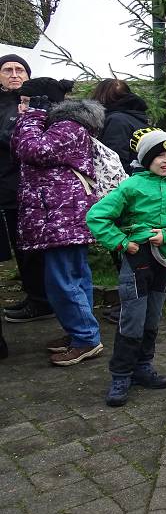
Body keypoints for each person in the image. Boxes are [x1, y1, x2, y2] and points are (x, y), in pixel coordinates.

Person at [86, 129, 166, 406]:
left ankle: (143, 367)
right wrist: (122, 243)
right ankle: (121, 374)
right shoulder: (132, 186)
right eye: (159, 156)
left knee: (153, 316)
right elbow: (97, 216)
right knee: (133, 317)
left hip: (164, 258)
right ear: (146, 159)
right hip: (138, 260)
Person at [13, 92, 106, 365]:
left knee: (62, 281)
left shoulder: (67, 126)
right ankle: (80, 332)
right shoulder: (68, 126)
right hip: (62, 217)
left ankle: (86, 338)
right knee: (74, 277)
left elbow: (34, 150)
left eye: (27, 101)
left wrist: (30, 117)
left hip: (61, 218)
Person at [0, 55, 54, 326]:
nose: (14, 74)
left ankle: (41, 300)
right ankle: (33, 294)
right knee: (19, 247)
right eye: (7, 70)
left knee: (31, 248)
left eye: (20, 70)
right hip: (6, 188)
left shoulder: (36, 105)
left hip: (29, 189)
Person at [90, 79, 150, 171]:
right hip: (138, 178)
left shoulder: (116, 121)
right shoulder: (137, 117)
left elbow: (113, 161)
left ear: (100, 96)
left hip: (123, 181)